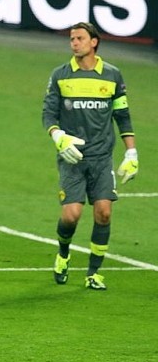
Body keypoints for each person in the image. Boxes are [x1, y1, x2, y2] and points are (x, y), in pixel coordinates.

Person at [42, 21, 139, 291]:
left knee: (104, 213)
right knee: (71, 215)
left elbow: (122, 116)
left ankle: (94, 273)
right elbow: (48, 114)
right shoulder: (60, 75)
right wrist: (58, 136)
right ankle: (63, 254)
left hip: (101, 157)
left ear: (93, 42)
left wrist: (131, 150)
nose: (74, 43)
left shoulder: (112, 76)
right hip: (72, 158)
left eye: (79, 38)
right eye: (72, 39)